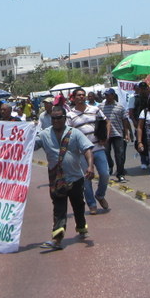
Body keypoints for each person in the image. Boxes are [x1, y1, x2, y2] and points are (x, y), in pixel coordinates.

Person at [34, 107, 94, 250]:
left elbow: (87, 149)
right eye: (53, 118)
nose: (55, 120)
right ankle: (57, 239)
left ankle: (81, 227)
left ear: (64, 118)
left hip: (75, 178)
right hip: (56, 180)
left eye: (58, 117)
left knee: (78, 205)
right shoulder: (44, 135)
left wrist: (90, 166)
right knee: (59, 208)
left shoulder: (75, 133)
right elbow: (29, 145)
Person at [66, 87, 111, 214]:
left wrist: (106, 137)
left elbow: (107, 122)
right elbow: (68, 133)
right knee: (86, 179)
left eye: (83, 95)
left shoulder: (95, 110)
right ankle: (91, 204)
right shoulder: (70, 115)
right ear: (74, 98)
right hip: (82, 152)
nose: (81, 97)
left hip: (98, 147)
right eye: (78, 95)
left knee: (105, 173)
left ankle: (100, 195)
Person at [100, 88, 132, 182]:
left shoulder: (120, 107)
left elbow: (125, 121)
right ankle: (110, 165)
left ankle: (120, 174)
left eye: (108, 95)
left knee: (120, 155)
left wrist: (127, 133)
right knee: (106, 153)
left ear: (113, 95)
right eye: (105, 95)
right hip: (106, 135)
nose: (107, 97)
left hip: (118, 134)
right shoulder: (101, 107)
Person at [127, 82, 150, 170]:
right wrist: (134, 122)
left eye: (145, 88)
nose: (143, 90)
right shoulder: (133, 98)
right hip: (139, 123)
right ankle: (144, 161)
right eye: (141, 88)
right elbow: (131, 112)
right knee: (140, 141)